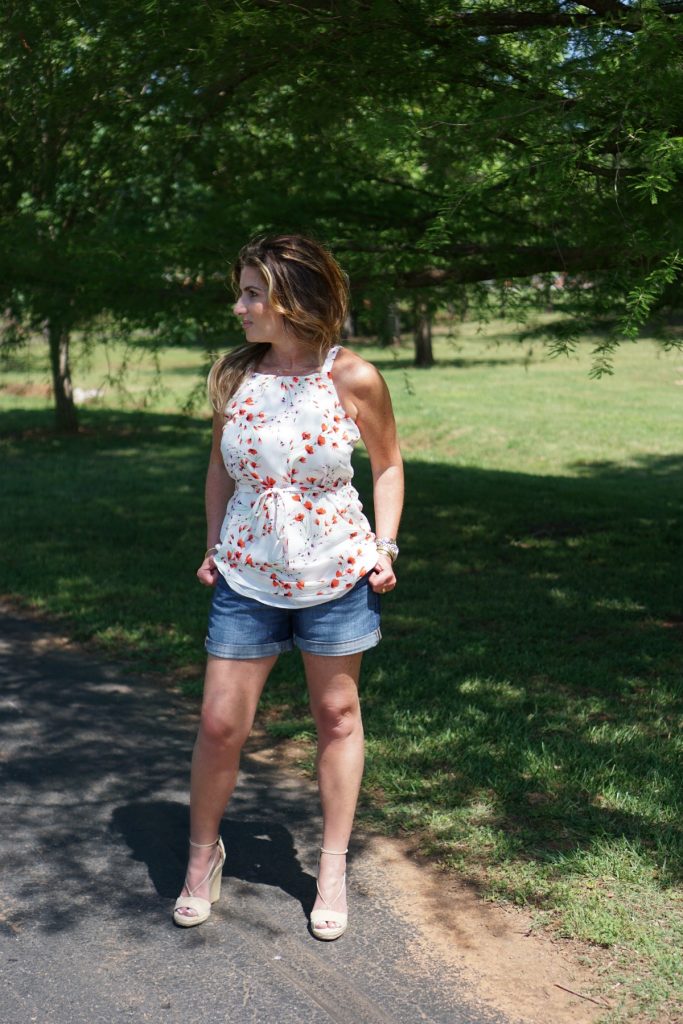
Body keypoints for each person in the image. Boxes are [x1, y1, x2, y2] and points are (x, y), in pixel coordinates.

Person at [173, 234, 404, 940]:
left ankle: (330, 868)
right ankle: (201, 857)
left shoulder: (353, 377)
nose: (238, 306)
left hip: (338, 572)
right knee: (221, 724)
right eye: (240, 292)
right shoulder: (234, 376)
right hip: (246, 574)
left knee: (336, 716)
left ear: (292, 300)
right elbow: (220, 468)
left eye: (251, 293)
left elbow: (388, 466)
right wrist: (213, 542)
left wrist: (385, 546)